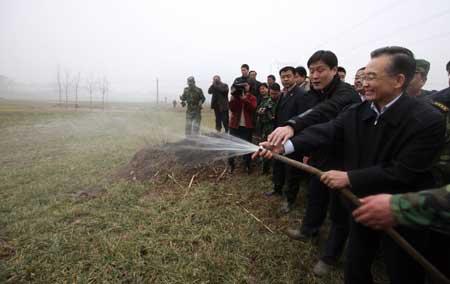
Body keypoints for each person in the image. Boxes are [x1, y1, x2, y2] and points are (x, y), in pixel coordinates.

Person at [256, 46, 446, 284]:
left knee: (402, 271)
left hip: (400, 212)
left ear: (398, 80)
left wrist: (350, 178)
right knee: (356, 264)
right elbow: (328, 129)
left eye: (371, 77)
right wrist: (286, 146)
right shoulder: (358, 111)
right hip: (360, 205)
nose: (363, 83)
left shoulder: (427, 120)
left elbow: (405, 171)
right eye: (364, 76)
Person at [270, 51, 359, 242]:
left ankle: (330, 255)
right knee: (315, 194)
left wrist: (292, 126)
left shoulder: (346, 93)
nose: (315, 76)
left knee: (338, 207)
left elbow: (320, 113)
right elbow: (308, 118)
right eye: (312, 71)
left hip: (343, 158)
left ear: (334, 70)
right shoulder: (312, 95)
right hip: (319, 153)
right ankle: (308, 230)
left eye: (321, 70)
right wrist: (291, 145)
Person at [267, 66, 318, 214]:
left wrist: (294, 137)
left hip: (293, 140)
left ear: (295, 76)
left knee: (292, 171)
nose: (286, 79)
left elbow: (303, 119)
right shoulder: (284, 94)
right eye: (283, 77)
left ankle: (289, 200)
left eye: (288, 76)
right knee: (278, 165)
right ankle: (277, 188)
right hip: (278, 138)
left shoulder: (301, 95)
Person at [228, 81, 257, 174]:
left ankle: (248, 165)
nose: (244, 87)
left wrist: (245, 99)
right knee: (231, 146)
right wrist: (233, 98)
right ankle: (231, 165)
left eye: (246, 85)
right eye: (242, 85)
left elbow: (253, 108)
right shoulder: (235, 97)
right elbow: (232, 108)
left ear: (249, 87)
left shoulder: (252, 97)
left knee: (247, 147)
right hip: (234, 126)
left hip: (247, 127)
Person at [255, 83, 276, 174]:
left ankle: (269, 168)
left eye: (264, 88)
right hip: (263, 126)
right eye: (260, 89)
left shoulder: (272, 100)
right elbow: (258, 110)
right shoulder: (262, 100)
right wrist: (259, 112)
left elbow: (273, 114)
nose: (262, 90)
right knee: (263, 145)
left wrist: (267, 112)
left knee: (270, 145)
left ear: (268, 89)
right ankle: (264, 167)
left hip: (270, 126)